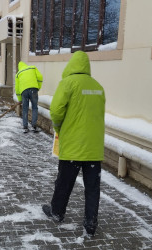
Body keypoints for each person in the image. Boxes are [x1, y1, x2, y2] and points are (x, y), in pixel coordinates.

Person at [42, 51, 105, 236]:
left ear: (71, 65)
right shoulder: (98, 87)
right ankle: (91, 223)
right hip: (94, 148)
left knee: (64, 182)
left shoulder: (67, 83)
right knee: (92, 188)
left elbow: (56, 111)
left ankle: (57, 212)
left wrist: (59, 127)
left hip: (73, 146)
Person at [15, 61, 43, 133]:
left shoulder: (18, 74)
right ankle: (34, 126)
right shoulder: (32, 68)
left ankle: (25, 127)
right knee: (34, 107)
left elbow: (17, 88)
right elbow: (40, 77)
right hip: (33, 89)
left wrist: (20, 99)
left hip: (24, 92)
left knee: (25, 109)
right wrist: (38, 87)